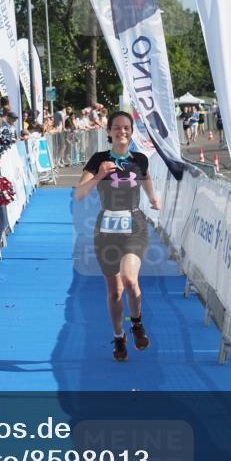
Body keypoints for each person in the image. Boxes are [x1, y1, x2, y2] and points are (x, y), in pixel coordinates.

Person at [74, 111, 161, 362]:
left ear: (131, 132)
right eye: (117, 128)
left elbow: (145, 179)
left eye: (126, 128)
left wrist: (153, 198)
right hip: (107, 230)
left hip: (134, 225)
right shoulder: (98, 159)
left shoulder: (140, 159)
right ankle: (119, 336)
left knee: (130, 279)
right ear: (109, 132)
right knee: (114, 292)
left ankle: (136, 324)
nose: (122, 132)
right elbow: (79, 194)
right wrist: (100, 175)